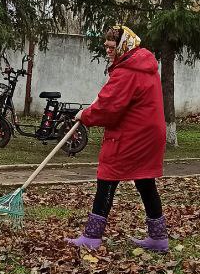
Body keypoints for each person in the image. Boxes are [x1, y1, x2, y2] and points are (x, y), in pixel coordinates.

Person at [67, 25, 168, 252]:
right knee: (144, 180)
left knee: (107, 177)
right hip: (150, 134)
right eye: (106, 46)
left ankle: (92, 236)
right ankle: (158, 238)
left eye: (112, 47)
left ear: (123, 46)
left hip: (132, 135)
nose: (108, 51)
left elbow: (108, 108)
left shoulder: (127, 71)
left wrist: (85, 115)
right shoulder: (141, 65)